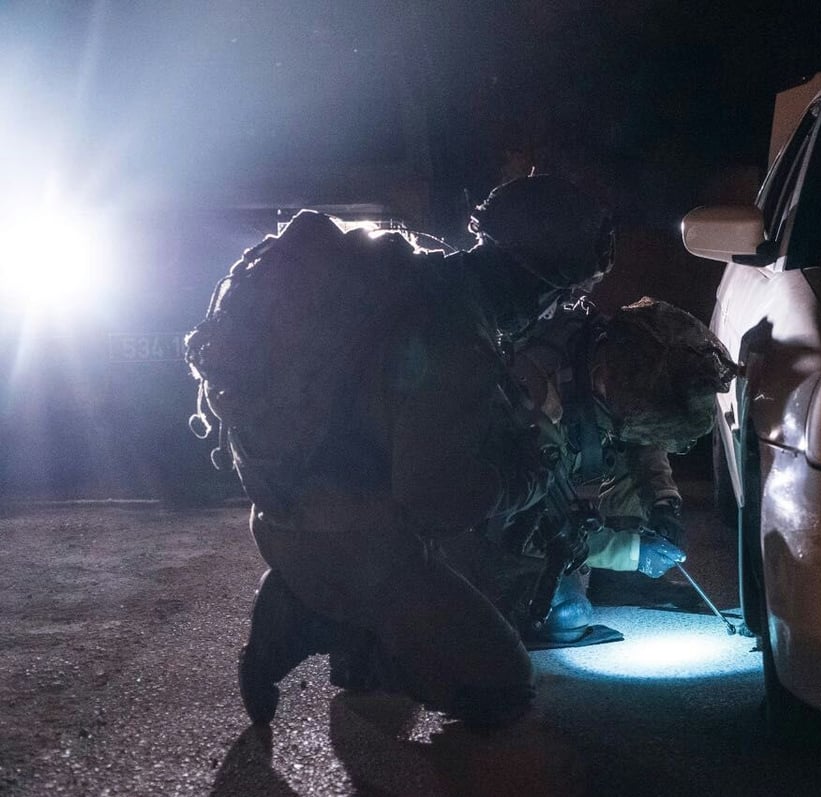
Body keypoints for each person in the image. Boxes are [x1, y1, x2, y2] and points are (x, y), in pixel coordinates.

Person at [231, 174, 615, 729]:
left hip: (289, 508)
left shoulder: (422, 283)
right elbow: (437, 501)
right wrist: (525, 475)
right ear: (536, 280)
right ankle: (310, 615)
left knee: (472, 575)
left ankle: (331, 605)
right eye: (564, 293)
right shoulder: (454, 335)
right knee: (501, 690)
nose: (557, 310)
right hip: (349, 542)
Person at [456, 297, 737, 644]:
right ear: (603, 378)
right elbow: (537, 519)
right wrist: (632, 552)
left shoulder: (620, 376)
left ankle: (615, 581)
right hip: (490, 517)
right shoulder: (538, 395)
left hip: (545, 484)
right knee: (564, 617)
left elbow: (642, 440)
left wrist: (664, 504)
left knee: (629, 455)